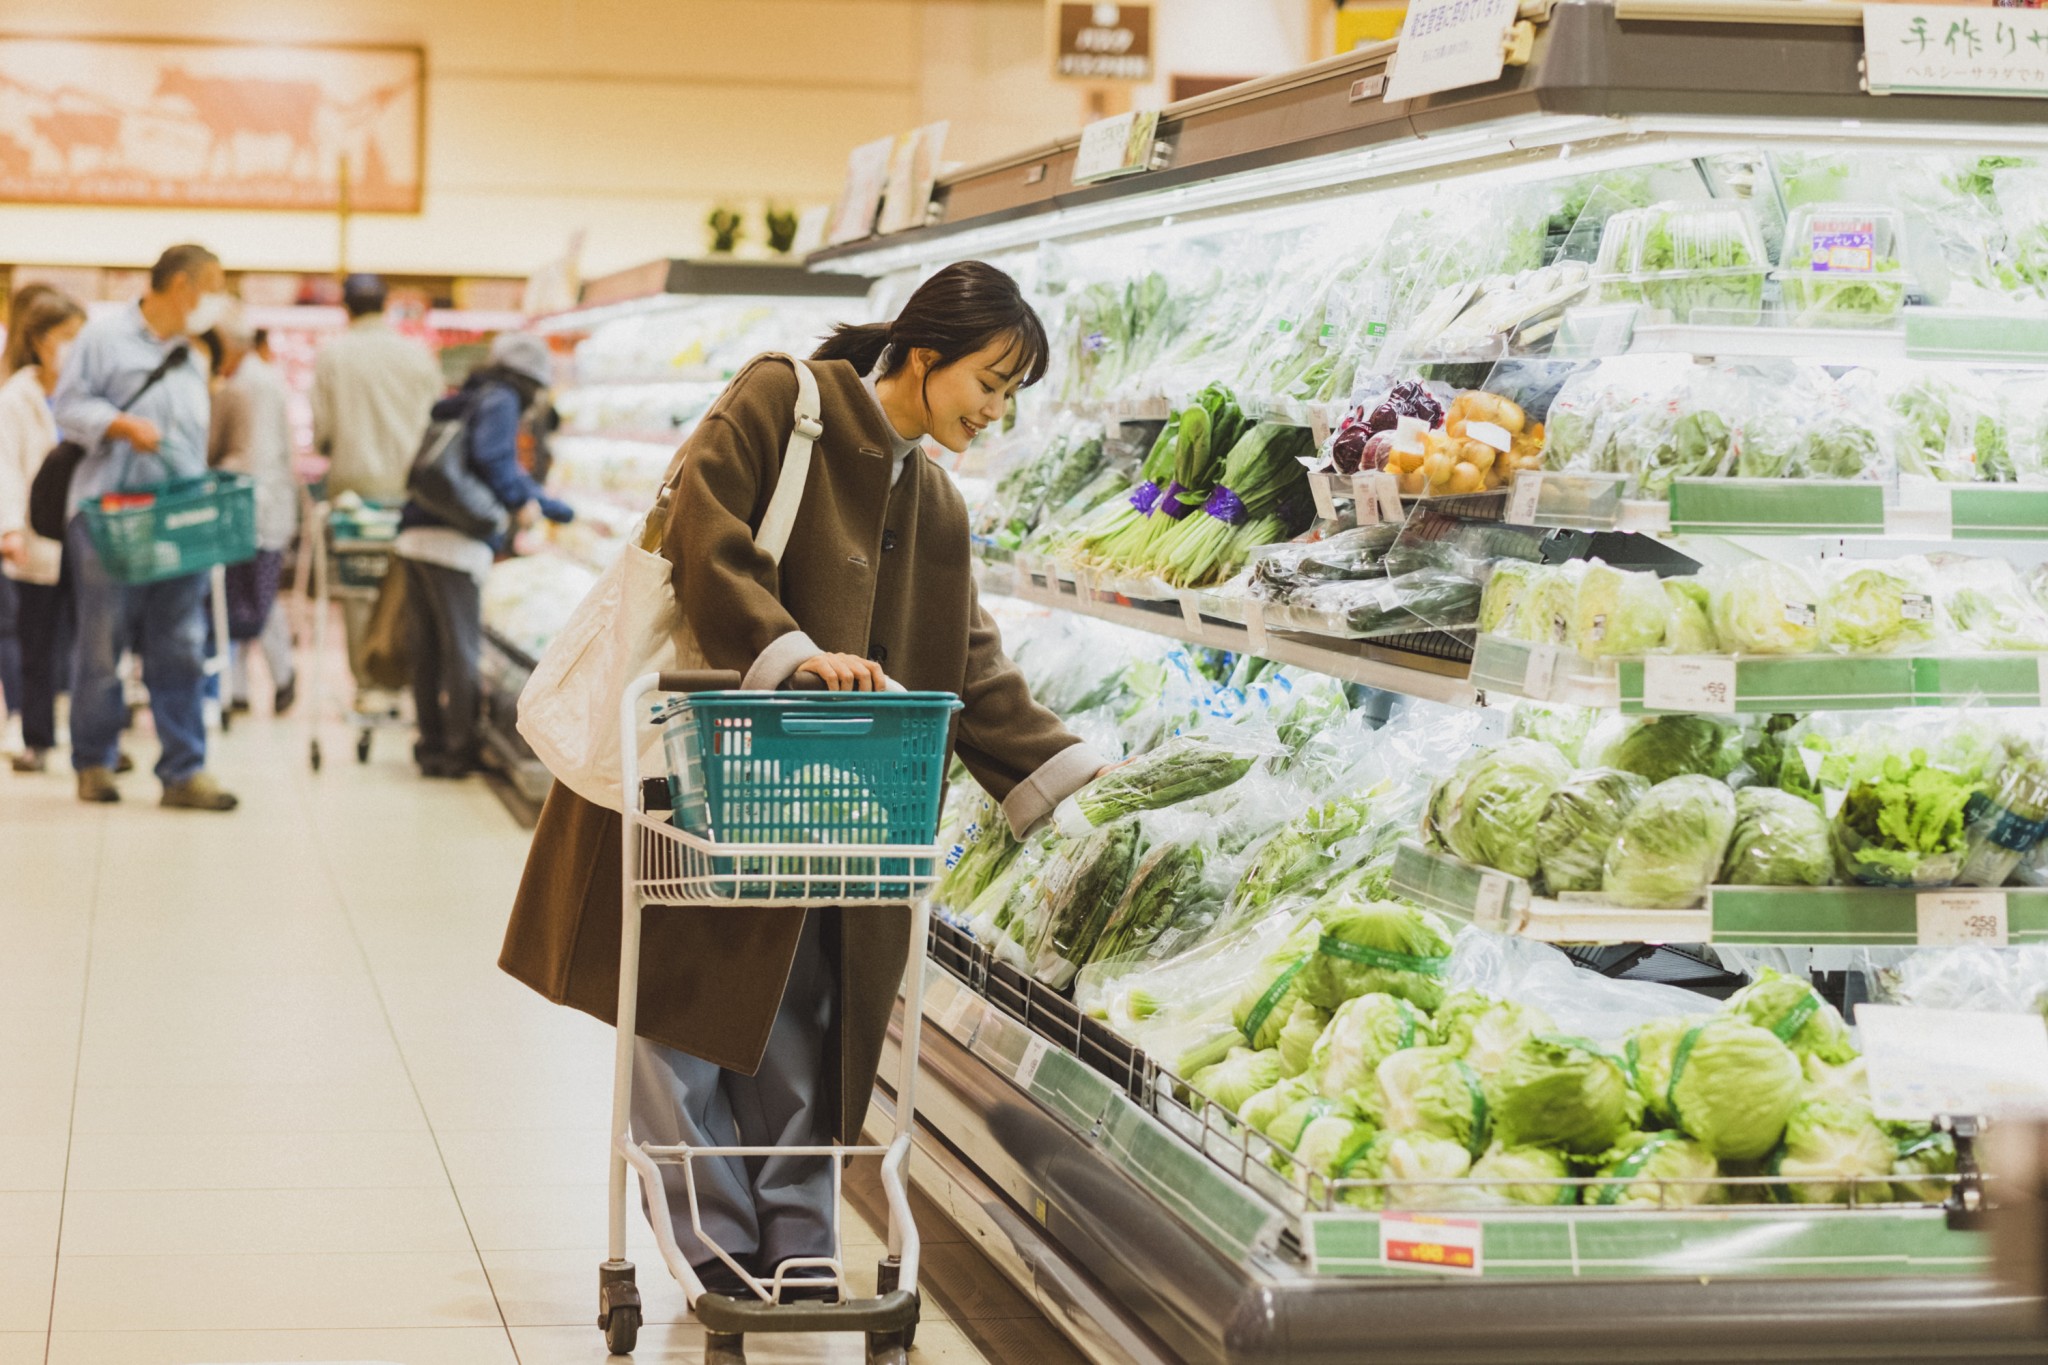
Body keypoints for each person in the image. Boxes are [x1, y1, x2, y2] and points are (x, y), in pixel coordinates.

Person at [498, 262, 1110, 1300]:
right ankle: (715, 1249)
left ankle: (799, 1240)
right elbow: (705, 534)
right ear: (923, 355)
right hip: (698, 781)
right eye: (989, 382)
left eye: (1011, 394)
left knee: (805, 1023)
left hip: (828, 810)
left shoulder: (934, 503)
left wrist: (1067, 776)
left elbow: (963, 655)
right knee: (677, 1016)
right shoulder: (783, 400)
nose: (995, 411)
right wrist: (787, 651)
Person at [54, 242, 236, 810]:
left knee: (181, 642)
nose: (216, 301)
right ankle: (95, 762)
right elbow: (66, 407)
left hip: (179, 517)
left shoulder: (193, 353)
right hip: (111, 516)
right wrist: (119, 425)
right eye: (214, 286)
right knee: (103, 645)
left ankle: (184, 770)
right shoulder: (102, 338)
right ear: (182, 285)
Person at [394, 331, 571, 778]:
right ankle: (459, 750)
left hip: (417, 532)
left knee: (429, 650)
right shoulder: (502, 398)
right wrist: (537, 501)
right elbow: (494, 459)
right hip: (455, 539)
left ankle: (431, 744)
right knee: (460, 648)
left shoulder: (468, 395)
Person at [310, 273, 443, 698]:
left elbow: (323, 433)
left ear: (345, 308)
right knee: (408, 584)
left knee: (357, 588)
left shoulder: (333, 355)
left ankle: (366, 682)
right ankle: (403, 679)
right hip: (413, 491)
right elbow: (436, 425)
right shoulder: (418, 355)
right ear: (386, 306)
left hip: (354, 489)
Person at [0, 285, 85, 772]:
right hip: (34, 535)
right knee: (36, 640)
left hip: (86, 533)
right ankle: (37, 738)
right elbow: (6, 467)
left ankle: (91, 741)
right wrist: (10, 528)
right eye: (65, 335)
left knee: (90, 643)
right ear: (39, 341)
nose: (73, 345)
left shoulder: (86, 395)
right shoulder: (16, 399)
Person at [207, 312, 298, 715]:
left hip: (256, 512)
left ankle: (280, 677)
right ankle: (243, 688)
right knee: (246, 598)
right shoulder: (249, 381)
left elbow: (255, 458)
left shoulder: (253, 386)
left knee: (254, 600)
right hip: (255, 511)